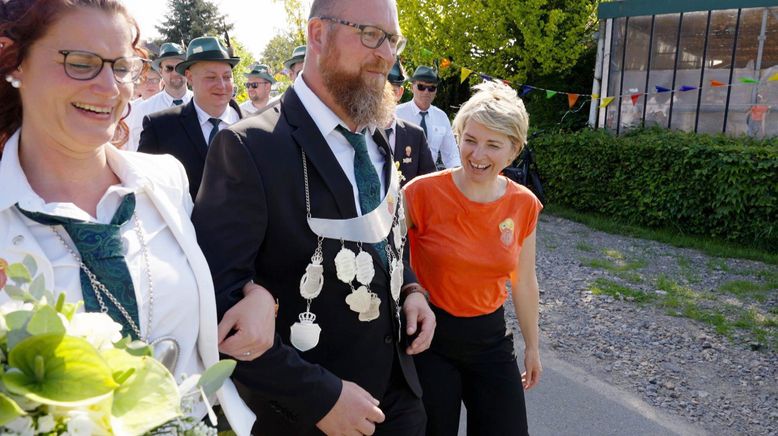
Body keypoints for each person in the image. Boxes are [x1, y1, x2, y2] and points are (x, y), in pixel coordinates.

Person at [0, 1, 269, 434]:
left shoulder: (165, 182)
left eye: (122, 67)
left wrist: (258, 297)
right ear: (16, 64)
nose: (110, 88)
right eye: (82, 62)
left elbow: (214, 274)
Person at [191, 0, 436, 434]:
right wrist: (320, 398)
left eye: (393, 40)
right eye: (370, 35)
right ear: (318, 34)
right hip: (311, 418)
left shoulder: (375, 135)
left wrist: (412, 289)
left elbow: (384, 238)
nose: (387, 54)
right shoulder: (249, 148)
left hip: (400, 402)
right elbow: (218, 311)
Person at [403, 81, 543, 436]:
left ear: (513, 152)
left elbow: (524, 281)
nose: (477, 155)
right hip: (430, 338)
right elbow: (389, 261)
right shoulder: (420, 193)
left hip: (491, 339)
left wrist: (532, 347)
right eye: (470, 140)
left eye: (493, 145)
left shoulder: (523, 203)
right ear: (458, 136)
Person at [138, 36, 245, 200]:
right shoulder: (160, 128)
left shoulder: (253, 127)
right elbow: (143, 188)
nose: (222, 85)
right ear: (189, 77)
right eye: (211, 77)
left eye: (227, 76)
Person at [125, 42, 192, 151]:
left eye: (179, 67)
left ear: (187, 70)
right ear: (161, 71)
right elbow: (137, 152)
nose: (175, 73)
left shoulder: (201, 104)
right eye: (169, 68)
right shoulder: (145, 109)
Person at [396, 65, 460, 169]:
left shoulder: (441, 117)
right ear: (412, 87)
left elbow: (451, 155)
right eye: (421, 87)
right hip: (401, 173)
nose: (426, 92)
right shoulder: (397, 113)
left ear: (436, 91)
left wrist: (457, 176)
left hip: (429, 174)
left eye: (431, 88)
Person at [386, 60, 435, 186]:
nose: (385, 97)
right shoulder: (358, 133)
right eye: (380, 89)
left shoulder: (416, 135)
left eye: (392, 91)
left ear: (400, 93)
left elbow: (428, 184)